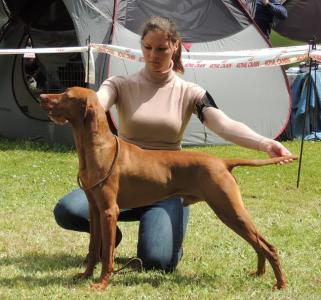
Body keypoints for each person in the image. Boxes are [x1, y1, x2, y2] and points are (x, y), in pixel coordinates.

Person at [53, 16, 292, 272]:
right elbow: (96, 102)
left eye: (161, 49)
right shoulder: (119, 84)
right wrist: (70, 108)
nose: (153, 55)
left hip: (168, 187)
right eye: (147, 48)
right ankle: (109, 238)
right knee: (68, 210)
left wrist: (265, 143)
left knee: (157, 261)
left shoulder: (191, 92)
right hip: (122, 181)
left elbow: (222, 124)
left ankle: (168, 235)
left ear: (175, 47)